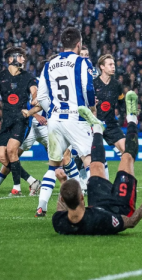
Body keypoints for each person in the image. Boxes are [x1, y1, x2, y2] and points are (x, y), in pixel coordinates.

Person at [52, 92, 142, 235]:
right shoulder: (100, 221)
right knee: (126, 158)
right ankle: (132, 117)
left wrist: (64, 182)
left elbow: (61, 208)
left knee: (95, 166)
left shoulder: (59, 221)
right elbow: (131, 222)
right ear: (82, 197)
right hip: (120, 208)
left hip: (97, 203)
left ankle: (96, 127)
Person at [35, 28, 96, 218]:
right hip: (76, 118)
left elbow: (41, 96)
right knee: (89, 160)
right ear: (79, 44)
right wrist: (91, 109)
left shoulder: (49, 64)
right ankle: (95, 204)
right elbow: (88, 88)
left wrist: (53, 109)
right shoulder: (82, 62)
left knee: (53, 165)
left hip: (55, 119)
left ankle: (41, 207)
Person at [0, 47, 42, 195]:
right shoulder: (0, 77)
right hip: (6, 121)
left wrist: (35, 96)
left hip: (21, 120)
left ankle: (17, 187)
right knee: (1, 156)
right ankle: (32, 181)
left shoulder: (28, 76)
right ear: (11, 59)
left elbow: (34, 90)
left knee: (12, 150)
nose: (24, 59)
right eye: (21, 56)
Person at [93, 54, 127, 154]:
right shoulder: (93, 84)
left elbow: (122, 103)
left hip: (111, 124)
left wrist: (125, 116)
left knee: (127, 151)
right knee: (88, 157)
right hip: (95, 124)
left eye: (114, 64)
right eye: (110, 64)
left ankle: (124, 170)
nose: (113, 67)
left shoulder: (116, 85)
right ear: (102, 67)